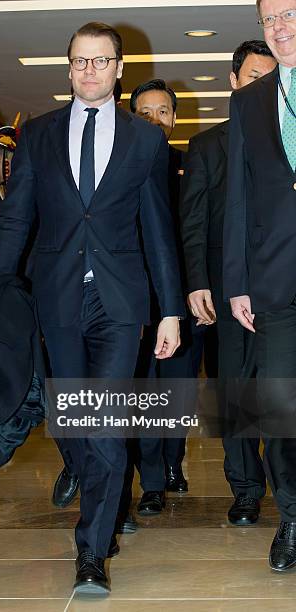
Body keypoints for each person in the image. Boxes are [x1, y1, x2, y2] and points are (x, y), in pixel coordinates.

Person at [0, 21, 184, 596]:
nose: (89, 70)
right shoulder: (40, 136)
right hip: (59, 294)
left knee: (102, 421)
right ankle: (96, 485)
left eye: (100, 61)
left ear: (119, 69)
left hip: (121, 300)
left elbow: (159, 231)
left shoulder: (146, 140)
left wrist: (170, 309)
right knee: (72, 419)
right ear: (68, 67)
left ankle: (91, 551)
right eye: (80, 61)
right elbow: (18, 217)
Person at [180, 40, 276, 527]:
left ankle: (286, 489)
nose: (263, 85)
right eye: (254, 77)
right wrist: (198, 284)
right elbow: (193, 225)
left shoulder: (288, 141)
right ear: (234, 82)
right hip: (226, 291)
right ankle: (245, 489)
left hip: (281, 292)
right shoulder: (208, 146)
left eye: (271, 77)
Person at [223, 0, 296, 571]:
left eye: (289, 14)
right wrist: (237, 282)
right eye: (269, 20)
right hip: (274, 279)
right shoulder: (247, 101)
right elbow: (239, 199)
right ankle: (292, 518)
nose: (280, 28)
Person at [129, 79, 204, 516]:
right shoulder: (119, 165)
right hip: (136, 301)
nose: (155, 120)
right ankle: (152, 479)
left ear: (174, 118)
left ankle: (172, 463)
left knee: (177, 392)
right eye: (145, 112)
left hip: (182, 298)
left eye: (163, 111)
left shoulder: (190, 166)